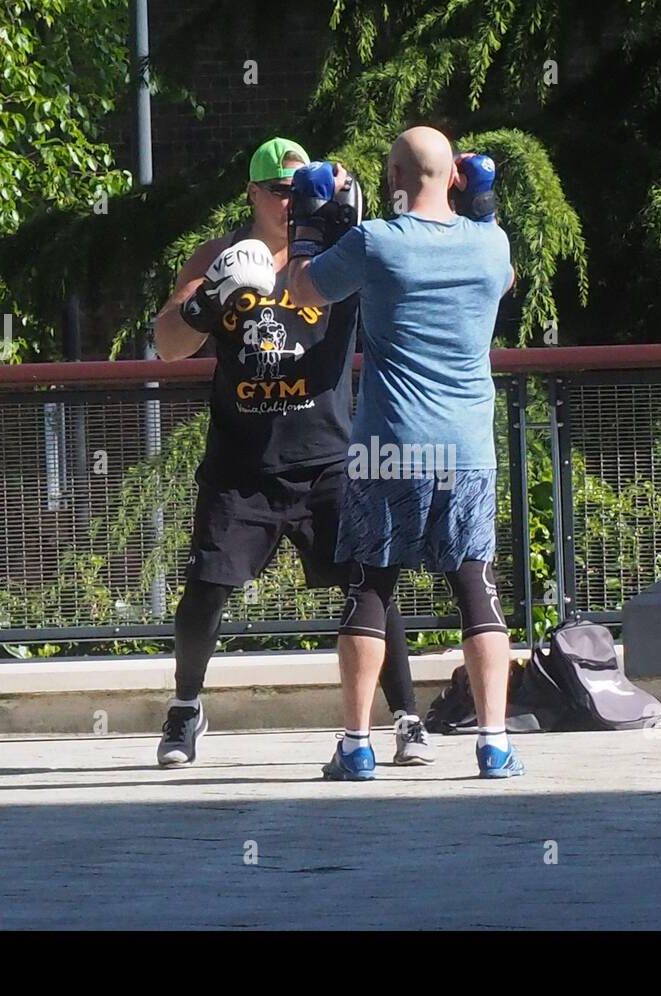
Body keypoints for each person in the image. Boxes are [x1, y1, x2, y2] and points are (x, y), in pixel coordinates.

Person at [150, 136, 432, 768]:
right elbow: (168, 344)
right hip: (242, 461)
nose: (289, 202)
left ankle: (407, 716)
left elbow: (405, 271)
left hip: (327, 454)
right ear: (253, 193)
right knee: (205, 588)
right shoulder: (218, 255)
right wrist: (202, 302)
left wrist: (348, 200)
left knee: (370, 585)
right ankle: (186, 709)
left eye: (301, 191)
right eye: (279, 190)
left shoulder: (340, 250)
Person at [284, 126, 521, 780]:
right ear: (454, 177)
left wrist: (308, 219)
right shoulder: (489, 243)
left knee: (368, 585)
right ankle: (494, 741)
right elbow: (505, 280)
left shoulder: (375, 241)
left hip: (388, 443)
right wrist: (485, 205)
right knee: (478, 587)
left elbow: (304, 292)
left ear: (391, 178)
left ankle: (357, 743)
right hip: (466, 448)